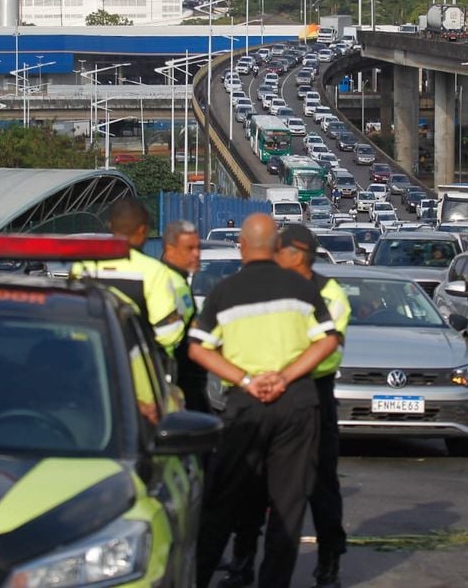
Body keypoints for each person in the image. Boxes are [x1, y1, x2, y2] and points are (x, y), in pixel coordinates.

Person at [188, 214, 337, 588]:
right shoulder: (302, 289)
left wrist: (248, 379)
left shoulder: (225, 291)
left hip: (246, 407)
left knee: (222, 501)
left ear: (241, 247)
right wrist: (285, 376)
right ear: (275, 248)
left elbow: (198, 349)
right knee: (288, 506)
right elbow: (327, 341)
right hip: (297, 403)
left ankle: (200, 576)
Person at [223, 224, 351, 588]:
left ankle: (328, 565)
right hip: (264, 392)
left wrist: (283, 370)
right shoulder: (271, 287)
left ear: (296, 255)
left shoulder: (330, 293)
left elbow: (330, 353)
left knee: (321, 484)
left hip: (311, 395)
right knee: (251, 483)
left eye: (279, 251)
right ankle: (242, 560)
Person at [71, 198, 189, 355]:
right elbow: (168, 333)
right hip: (135, 368)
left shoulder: (83, 267)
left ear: (110, 225)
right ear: (143, 230)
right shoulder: (153, 271)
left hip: (89, 362)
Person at [160, 219, 207, 413]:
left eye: (198, 247)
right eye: (189, 249)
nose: (197, 254)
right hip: (176, 381)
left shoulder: (178, 279)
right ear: (170, 250)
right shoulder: (166, 283)